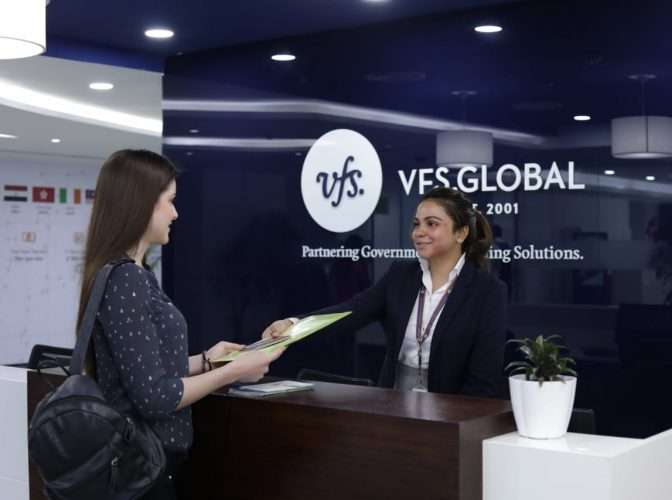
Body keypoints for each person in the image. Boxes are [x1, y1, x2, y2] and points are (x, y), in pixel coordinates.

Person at [78, 149, 283, 500]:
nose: (176, 213)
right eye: (170, 201)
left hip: (144, 465)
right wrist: (232, 372)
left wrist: (207, 360)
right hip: (142, 471)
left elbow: (142, 372)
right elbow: (155, 397)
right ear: (141, 203)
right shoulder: (127, 279)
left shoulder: (132, 273)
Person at [263, 187, 508, 397]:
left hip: (453, 416)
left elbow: (483, 380)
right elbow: (350, 312)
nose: (419, 232)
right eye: (416, 224)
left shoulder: (488, 291)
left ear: (461, 233)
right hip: (394, 409)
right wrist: (293, 326)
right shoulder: (401, 275)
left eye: (432, 224)